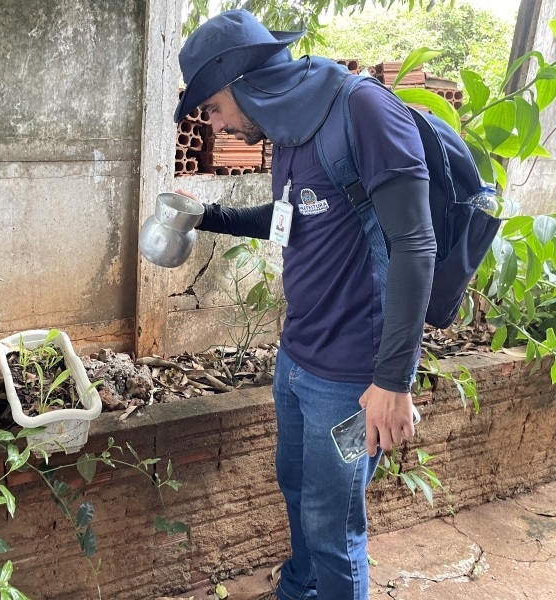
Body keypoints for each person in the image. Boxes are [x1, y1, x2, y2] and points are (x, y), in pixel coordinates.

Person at [173, 9, 436, 600]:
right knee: (295, 486)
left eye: (212, 109)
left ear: (240, 80)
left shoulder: (362, 111)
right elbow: (293, 221)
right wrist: (207, 216)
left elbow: (416, 246)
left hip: (352, 379)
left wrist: (393, 381)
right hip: (297, 361)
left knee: (334, 528)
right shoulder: (291, 133)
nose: (214, 127)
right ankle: (299, 590)